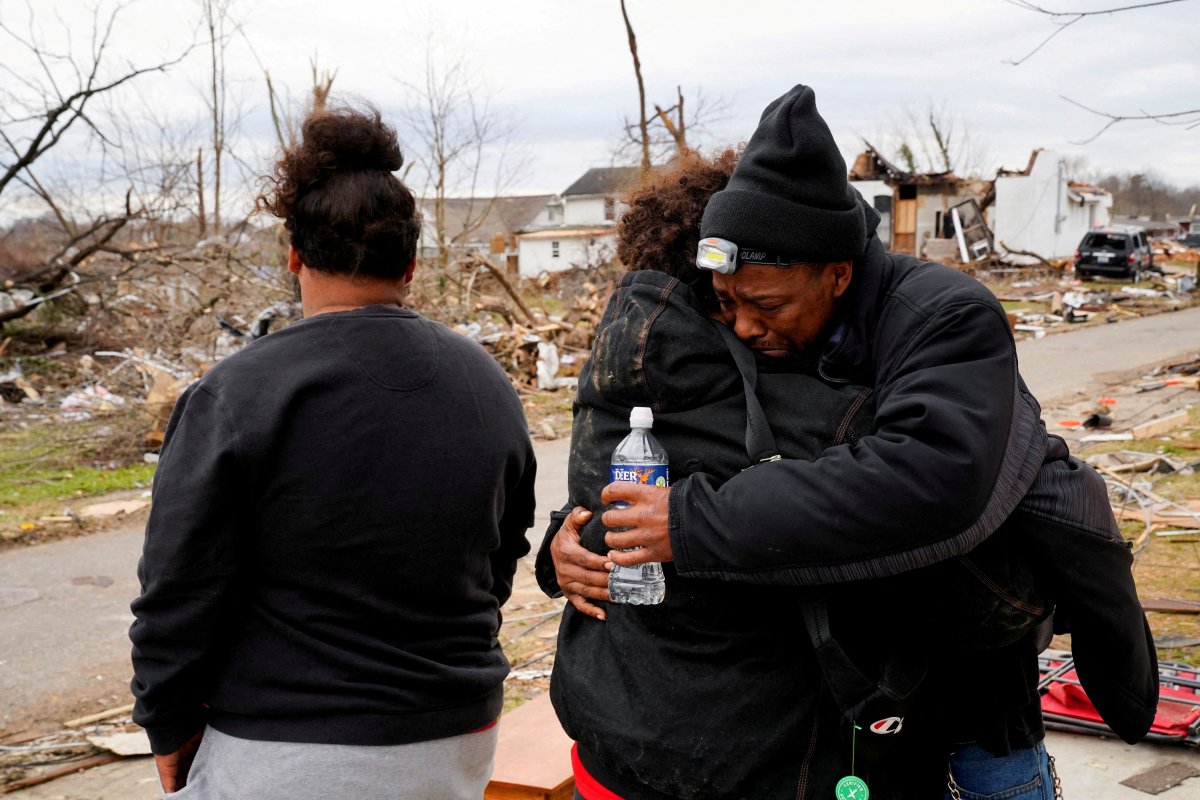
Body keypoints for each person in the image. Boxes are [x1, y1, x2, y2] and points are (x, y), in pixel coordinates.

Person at [546, 85, 1156, 799]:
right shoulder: (766, 325)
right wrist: (576, 537)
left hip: (974, 681)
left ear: (838, 273)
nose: (742, 325)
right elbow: (686, 444)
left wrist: (688, 522)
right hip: (875, 704)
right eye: (726, 303)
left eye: (764, 304)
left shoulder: (943, 317)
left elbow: (929, 479)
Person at [129, 105, 536, 800]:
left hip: (293, 745)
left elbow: (178, 588)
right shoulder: (486, 382)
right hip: (457, 738)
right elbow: (500, 554)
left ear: (294, 257)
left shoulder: (238, 391)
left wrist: (166, 725)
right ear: (409, 263)